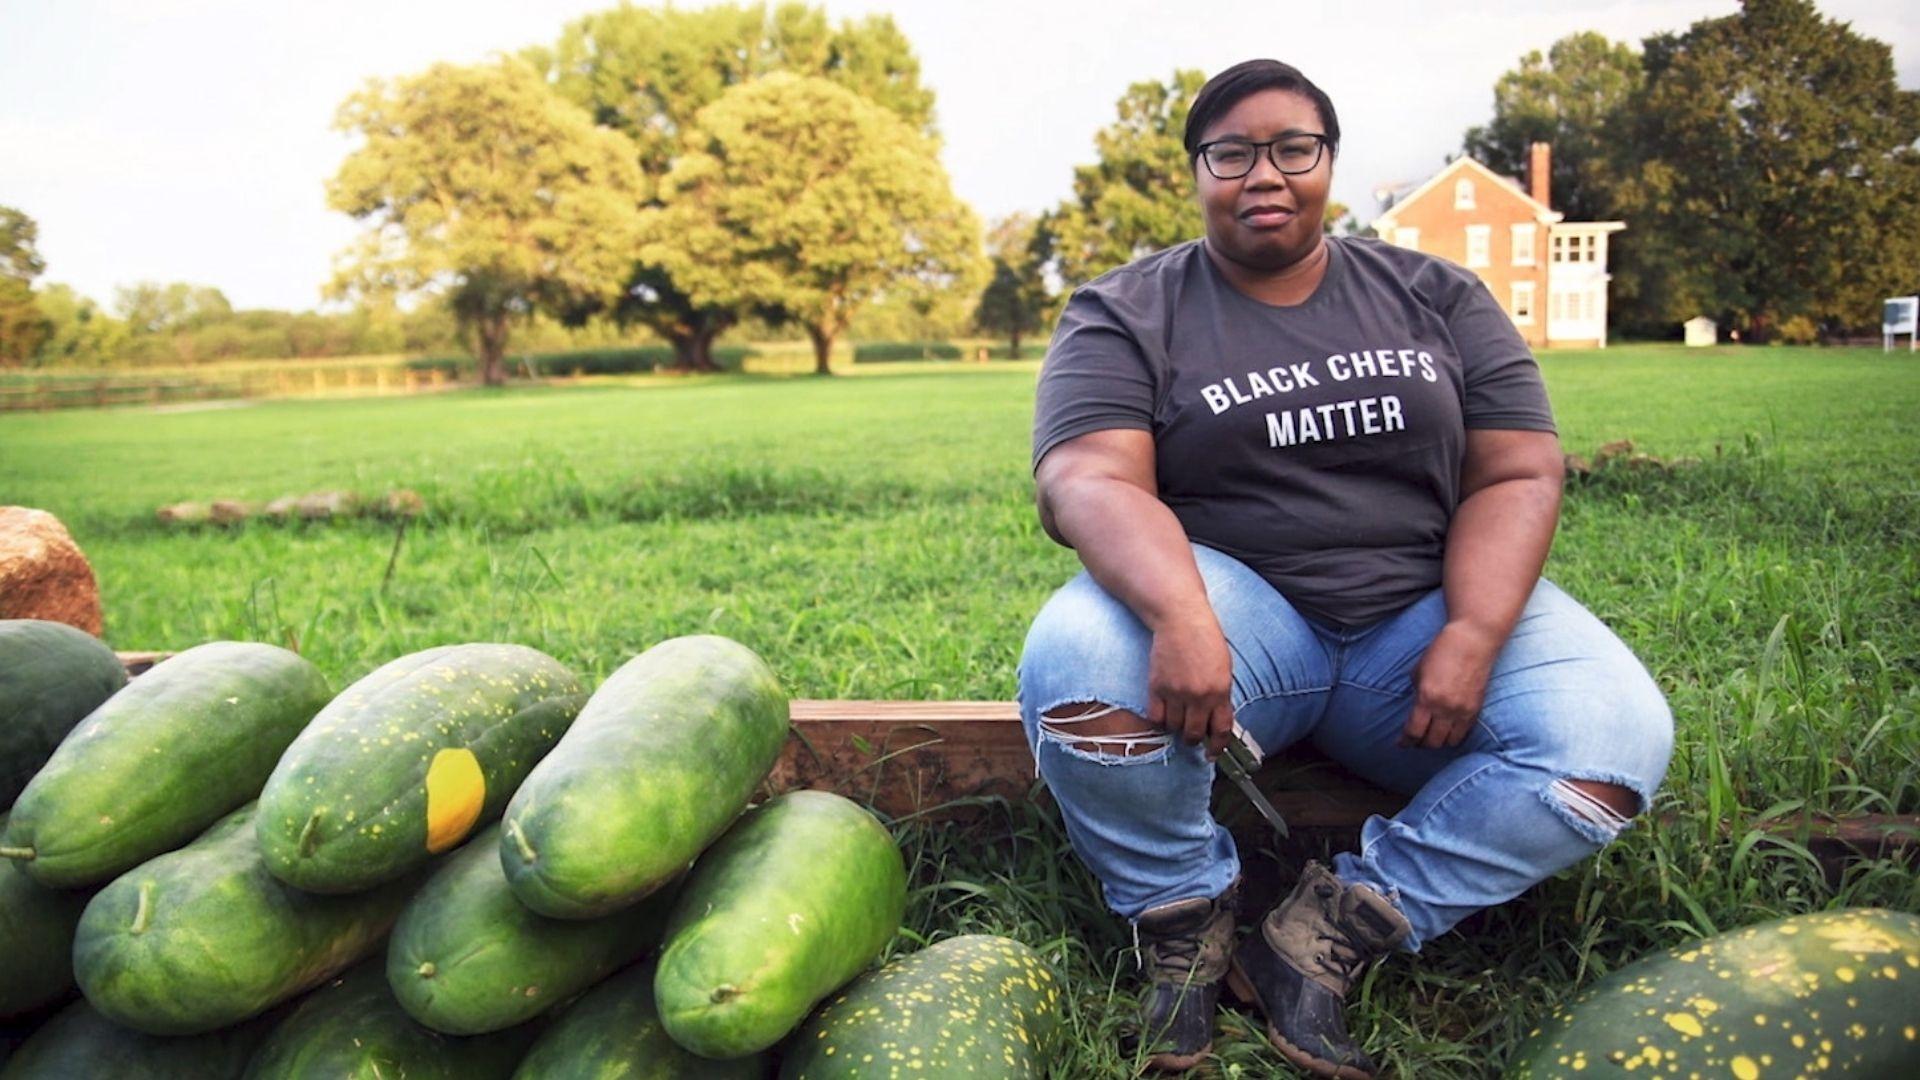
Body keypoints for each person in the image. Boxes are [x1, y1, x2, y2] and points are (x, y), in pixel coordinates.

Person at [1019, 59, 1673, 1078]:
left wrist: (1473, 631)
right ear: (1197, 171)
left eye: (1293, 147)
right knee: (1078, 669)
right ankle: (1183, 918)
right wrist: (1185, 614)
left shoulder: (1434, 294)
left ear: (1328, 163)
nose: (1263, 173)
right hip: (1240, 621)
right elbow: (1087, 478)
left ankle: (1333, 929)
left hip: (1417, 621)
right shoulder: (1130, 310)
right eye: (1231, 152)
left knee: (1611, 747)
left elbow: (1517, 467)